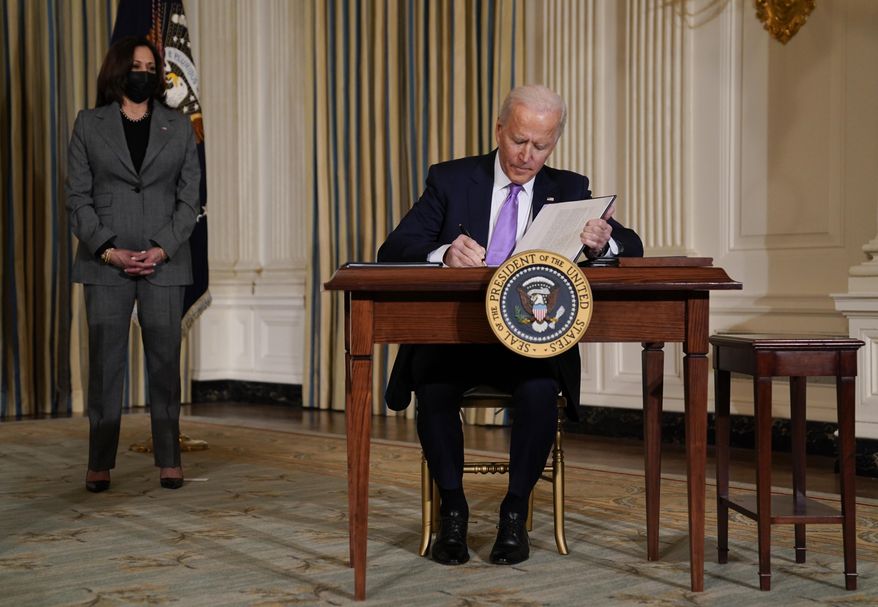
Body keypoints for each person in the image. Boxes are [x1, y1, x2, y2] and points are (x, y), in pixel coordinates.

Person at [377, 85, 643, 565]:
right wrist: (443, 254)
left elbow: (633, 247)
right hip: (456, 336)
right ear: (500, 129)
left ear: (555, 141)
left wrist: (603, 243)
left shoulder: (570, 188)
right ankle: (452, 512)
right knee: (433, 387)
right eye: (519, 140)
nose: (528, 155)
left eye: (541, 146)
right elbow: (393, 250)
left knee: (541, 390)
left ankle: (514, 514)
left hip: (531, 341)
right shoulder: (452, 180)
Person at [66, 36, 200, 492]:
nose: (143, 72)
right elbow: (77, 199)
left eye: (150, 65)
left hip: (165, 260)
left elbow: (190, 199)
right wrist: (108, 248)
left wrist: (162, 247)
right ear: (118, 71)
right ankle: (99, 461)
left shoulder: (179, 127)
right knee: (105, 365)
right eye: (135, 65)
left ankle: (169, 458)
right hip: (105, 262)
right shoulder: (89, 124)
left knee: (165, 364)